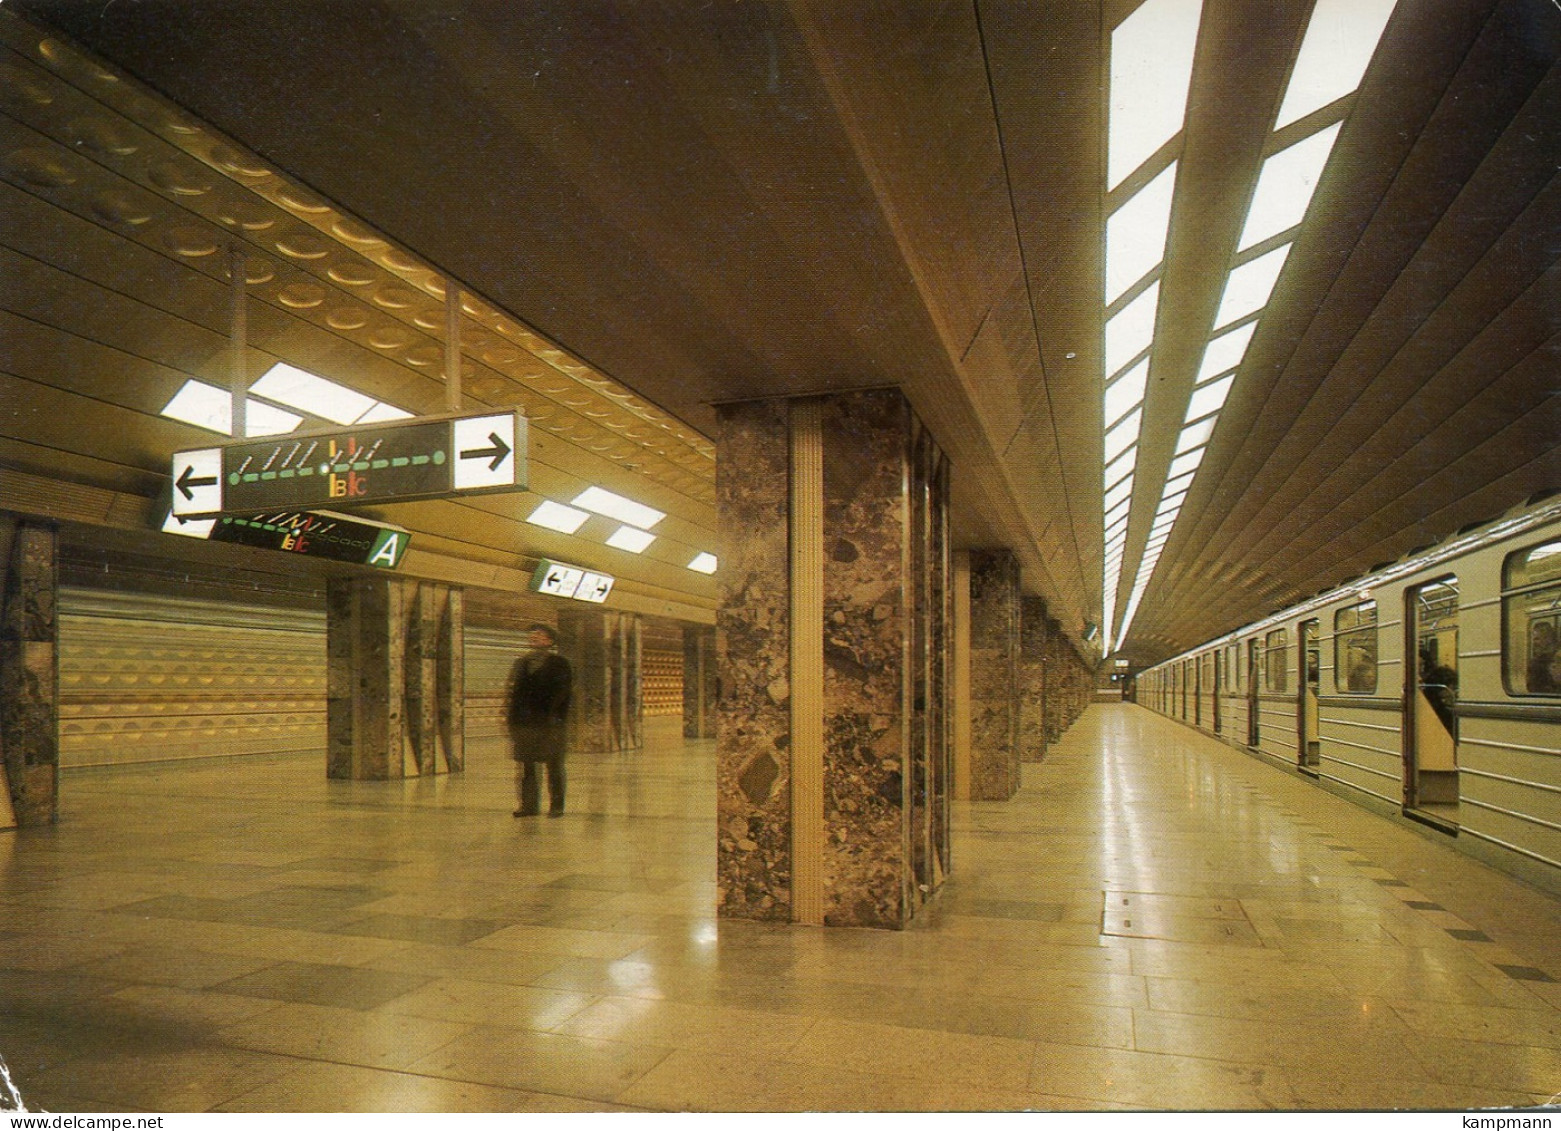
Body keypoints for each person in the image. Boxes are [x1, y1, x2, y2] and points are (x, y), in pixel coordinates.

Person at [506, 623, 573, 817]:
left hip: (550, 724)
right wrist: (511, 720)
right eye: (532, 634)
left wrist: (556, 719)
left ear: (550, 641)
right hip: (525, 724)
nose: (534, 637)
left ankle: (556, 806)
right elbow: (514, 694)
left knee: (554, 765)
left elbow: (564, 695)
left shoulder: (560, 663)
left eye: (540, 634)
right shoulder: (521, 663)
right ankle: (529, 806)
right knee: (527, 767)